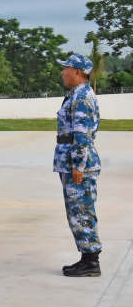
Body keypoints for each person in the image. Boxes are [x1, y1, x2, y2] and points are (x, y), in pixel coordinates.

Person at [55, 54, 102, 277]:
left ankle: (91, 261)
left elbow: (81, 135)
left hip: (78, 164)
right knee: (76, 211)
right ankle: (86, 258)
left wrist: (78, 166)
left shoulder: (82, 97)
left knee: (82, 211)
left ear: (77, 72)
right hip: (71, 162)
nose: (63, 73)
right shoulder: (76, 95)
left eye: (66, 69)